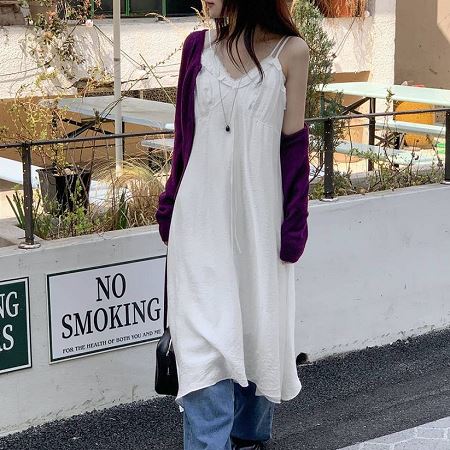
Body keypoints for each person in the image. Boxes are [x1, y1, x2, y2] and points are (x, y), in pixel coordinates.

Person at [155, 0, 310, 448]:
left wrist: (295, 225)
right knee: (203, 354)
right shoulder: (196, 48)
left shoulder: (291, 52)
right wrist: (170, 204)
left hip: (260, 230)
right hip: (198, 227)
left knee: (256, 341)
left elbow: (294, 149)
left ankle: (249, 440)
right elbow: (184, 140)